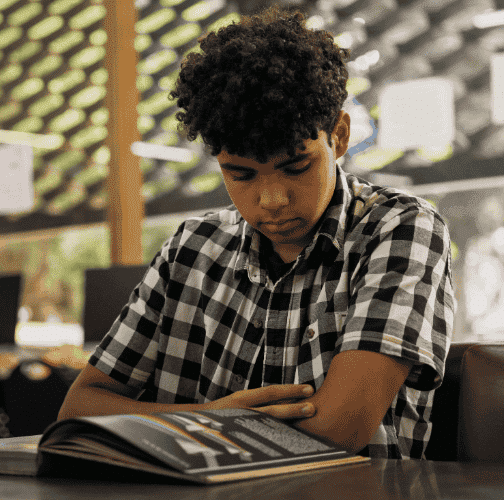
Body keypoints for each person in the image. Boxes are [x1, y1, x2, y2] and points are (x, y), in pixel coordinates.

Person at [58, 6, 454, 459]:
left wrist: (198, 422)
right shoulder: (192, 249)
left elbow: (338, 430)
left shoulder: (401, 229)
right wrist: (211, 418)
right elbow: (77, 413)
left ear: (339, 137)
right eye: (241, 175)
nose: (271, 200)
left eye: (296, 166)